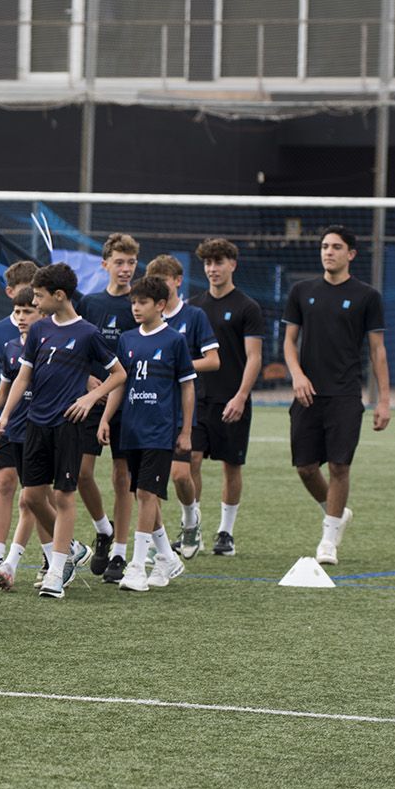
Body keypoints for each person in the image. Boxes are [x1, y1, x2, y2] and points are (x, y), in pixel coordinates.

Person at [0, 263, 123, 599]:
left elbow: (119, 374)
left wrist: (91, 397)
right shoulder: (38, 331)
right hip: (35, 424)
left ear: (59, 295)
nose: (35, 303)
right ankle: (73, 548)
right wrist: (5, 415)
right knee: (32, 496)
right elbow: (23, 377)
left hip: (68, 426)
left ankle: (56, 572)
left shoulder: (88, 333)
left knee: (64, 496)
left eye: (39, 296)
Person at [283, 225, 389, 565]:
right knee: (305, 468)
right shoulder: (301, 291)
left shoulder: (367, 296)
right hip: (306, 395)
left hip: (344, 395)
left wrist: (383, 399)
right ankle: (336, 513)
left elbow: (378, 351)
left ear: (351, 254)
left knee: (340, 465)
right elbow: (288, 342)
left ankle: (328, 539)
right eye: (325, 246)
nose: (328, 252)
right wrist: (297, 375)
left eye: (336, 247)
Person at [98, 275, 195, 592]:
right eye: (134, 303)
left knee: (145, 495)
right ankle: (167, 556)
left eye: (142, 303)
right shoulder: (126, 339)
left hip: (160, 431)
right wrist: (105, 419)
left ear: (161, 305)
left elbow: (187, 387)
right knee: (141, 492)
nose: (136, 308)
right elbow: (120, 383)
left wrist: (186, 430)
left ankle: (137, 565)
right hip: (131, 429)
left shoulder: (174, 341)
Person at [188, 238, 265, 556]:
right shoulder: (194, 307)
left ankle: (225, 533)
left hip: (232, 399)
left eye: (218, 262)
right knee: (189, 461)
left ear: (233, 264)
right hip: (197, 399)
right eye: (208, 263)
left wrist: (241, 396)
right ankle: (191, 528)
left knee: (231, 466)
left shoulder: (248, 307)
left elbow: (255, 357)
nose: (212, 269)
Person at [141, 254, 221, 557]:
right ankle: (151, 539)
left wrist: (177, 366)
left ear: (177, 281)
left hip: (185, 405)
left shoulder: (194, 316)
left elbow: (213, 360)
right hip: (149, 407)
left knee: (180, 474)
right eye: (155, 282)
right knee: (147, 478)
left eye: (165, 281)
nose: (161, 287)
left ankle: (191, 520)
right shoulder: (144, 317)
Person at [77, 234, 141, 581]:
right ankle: (104, 529)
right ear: (105, 265)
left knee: (122, 477)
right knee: (82, 474)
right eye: (119, 262)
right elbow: (81, 348)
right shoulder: (90, 303)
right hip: (92, 399)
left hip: (127, 402)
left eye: (131, 262)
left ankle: (119, 551)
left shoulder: (138, 303)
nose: (126, 269)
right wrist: (89, 381)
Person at [0, 286, 44, 590]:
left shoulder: (49, 346)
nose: (20, 317)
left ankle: (56, 556)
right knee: (10, 486)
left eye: (28, 311)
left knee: (34, 498)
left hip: (40, 430)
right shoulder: (7, 345)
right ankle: (0, 559)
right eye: (17, 311)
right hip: (9, 429)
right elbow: (3, 391)